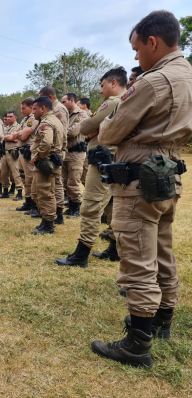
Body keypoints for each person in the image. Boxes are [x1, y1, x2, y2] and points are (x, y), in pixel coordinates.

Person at [91, 10, 192, 368]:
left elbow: (108, 132)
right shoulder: (189, 75)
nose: (135, 57)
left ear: (152, 42)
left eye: (136, 49)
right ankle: (163, 322)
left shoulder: (152, 81)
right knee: (163, 249)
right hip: (169, 173)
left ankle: (138, 343)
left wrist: (126, 129)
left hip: (138, 178)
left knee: (137, 257)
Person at [55, 67, 128, 267]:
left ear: (114, 83)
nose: (100, 91)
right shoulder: (128, 100)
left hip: (102, 158)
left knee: (91, 205)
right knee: (113, 205)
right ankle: (114, 248)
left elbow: (84, 127)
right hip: (117, 159)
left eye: (102, 85)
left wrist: (93, 129)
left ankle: (81, 254)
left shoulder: (112, 102)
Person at [29, 97, 63, 234]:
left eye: (35, 109)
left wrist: (37, 156)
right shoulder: (55, 120)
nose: (33, 112)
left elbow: (47, 143)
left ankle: (49, 225)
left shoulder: (46, 123)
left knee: (45, 193)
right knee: (37, 192)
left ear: (43, 108)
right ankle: (45, 219)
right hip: (50, 161)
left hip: (45, 163)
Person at [39, 87, 68, 224]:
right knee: (54, 185)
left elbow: (62, 134)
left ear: (49, 98)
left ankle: (57, 214)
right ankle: (55, 214)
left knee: (54, 186)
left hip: (53, 154)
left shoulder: (59, 110)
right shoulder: (52, 112)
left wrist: (59, 151)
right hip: (54, 152)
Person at [61, 93, 88, 218]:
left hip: (77, 153)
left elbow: (73, 132)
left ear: (72, 100)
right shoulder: (66, 116)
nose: (62, 104)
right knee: (66, 182)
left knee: (73, 182)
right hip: (66, 153)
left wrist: (59, 132)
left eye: (64, 101)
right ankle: (71, 206)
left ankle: (77, 206)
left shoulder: (81, 114)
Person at [10, 98, 39, 212]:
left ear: (31, 107)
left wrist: (17, 135)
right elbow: (14, 134)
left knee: (31, 179)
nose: (21, 110)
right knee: (24, 178)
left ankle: (34, 204)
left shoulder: (33, 118)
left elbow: (24, 135)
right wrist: (17, 134)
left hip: (29, 151)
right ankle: (28, 201)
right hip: (21, 151)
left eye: (23, 108)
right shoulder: (24, 120)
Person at [0, 111, 24, 200]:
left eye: (11, 116)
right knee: (3, 174)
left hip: (13, 153)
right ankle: (5, 191)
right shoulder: (5, 128)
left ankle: (20, 192)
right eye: (8, 116)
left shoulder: (19, 127)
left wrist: (9, 137)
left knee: (16, 173)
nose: (9, 118)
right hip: (4, 153)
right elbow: (2, 137)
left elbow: (15, 138)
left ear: (16, 117)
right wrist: (10, 137)